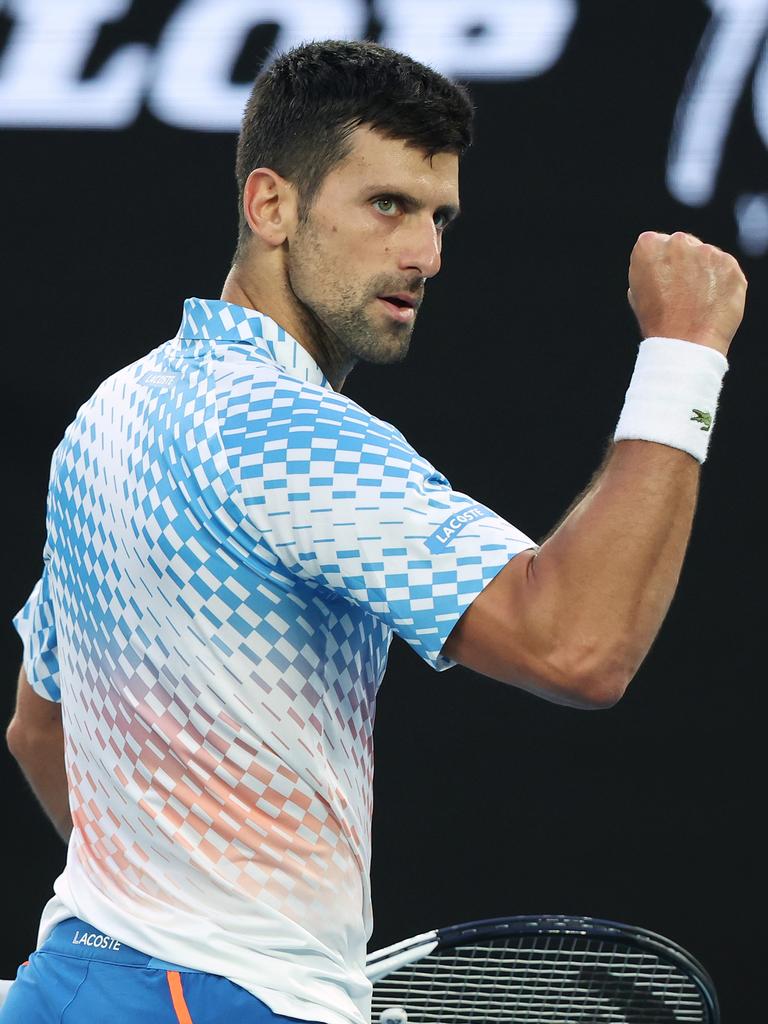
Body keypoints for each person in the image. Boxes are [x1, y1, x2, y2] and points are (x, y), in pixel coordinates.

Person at [3, 37, 746, 1024]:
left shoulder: (108, 416)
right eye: (387, 205)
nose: (426, 255)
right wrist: (685, 358)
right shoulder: (285, 433)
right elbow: (579, 644)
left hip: (75, 980)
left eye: (439, 217)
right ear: (270, 205)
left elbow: (38, 725)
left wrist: (181, 912)